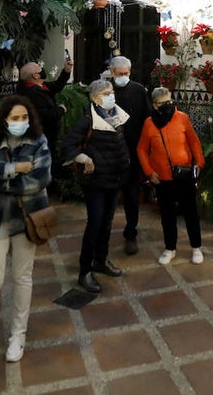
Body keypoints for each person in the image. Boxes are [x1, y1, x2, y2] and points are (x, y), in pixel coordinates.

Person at [0, 95, 52, 364]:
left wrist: (0, 177)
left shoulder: (38, 142)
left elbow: (40, 179)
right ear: (4, 119)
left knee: (22, 277)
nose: (20, 122)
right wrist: (15, 168)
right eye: (15, 118)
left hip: (26, 218)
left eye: (24, 118)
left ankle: (18, 334)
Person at [59, 78, 129, 294]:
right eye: (106, 93)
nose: (111, 96)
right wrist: (84, 159)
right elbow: (67, 146)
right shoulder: (87, 120)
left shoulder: (116, 115)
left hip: (114, 178)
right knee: (95, 224)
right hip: (96, 181)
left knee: (107, 222)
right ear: (95, 98)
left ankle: (101, 260)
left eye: (111, 92)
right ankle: (85, 271)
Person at [136, 87, 206, 265]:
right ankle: (170, 248)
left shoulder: (182, 117)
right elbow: (142, 149)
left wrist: (199, 163)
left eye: (170, 102)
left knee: (191, 213)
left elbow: (194, 141)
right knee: (167, 215)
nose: (168, 106)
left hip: (184, 175)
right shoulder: (149, 123)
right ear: (155, 105)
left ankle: (196, 247)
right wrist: (149, 171)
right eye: (163, 103)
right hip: (162, 177)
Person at [108, 55, 151, 255]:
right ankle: (102, 235)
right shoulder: (104, 90)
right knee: (108, 196)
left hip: (133, 152)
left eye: (126, 74)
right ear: (112, 73)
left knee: (132, 196)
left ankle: (131, 233)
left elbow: (147, 118)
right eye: (120, 74)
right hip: (109, 153)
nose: (123, 77)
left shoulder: (139, 90)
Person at [17, 56, 73, 151]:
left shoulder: (41, 86)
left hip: (48, 136)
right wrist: (60, 110)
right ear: (36, 75)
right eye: (39, 67)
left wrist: (66, 70)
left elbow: (56, 85)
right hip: (42, 137)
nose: (42, 68)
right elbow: (45, 115)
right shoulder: (32, 93)